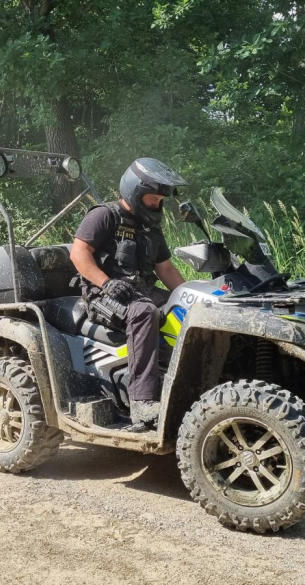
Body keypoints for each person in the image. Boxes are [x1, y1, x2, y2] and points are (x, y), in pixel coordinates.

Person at [69, 158, 187, 431]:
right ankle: (142, 401)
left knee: (187, 307)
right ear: (134, 191)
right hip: (102, 294)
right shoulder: (104, 215)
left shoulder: (151, 227)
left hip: (140, 290)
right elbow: (79, 253)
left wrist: (189, 295)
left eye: (160, 200)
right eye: (152, 198)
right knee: (144, 312)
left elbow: (166, 269)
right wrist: (106, 282)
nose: (157, 204)